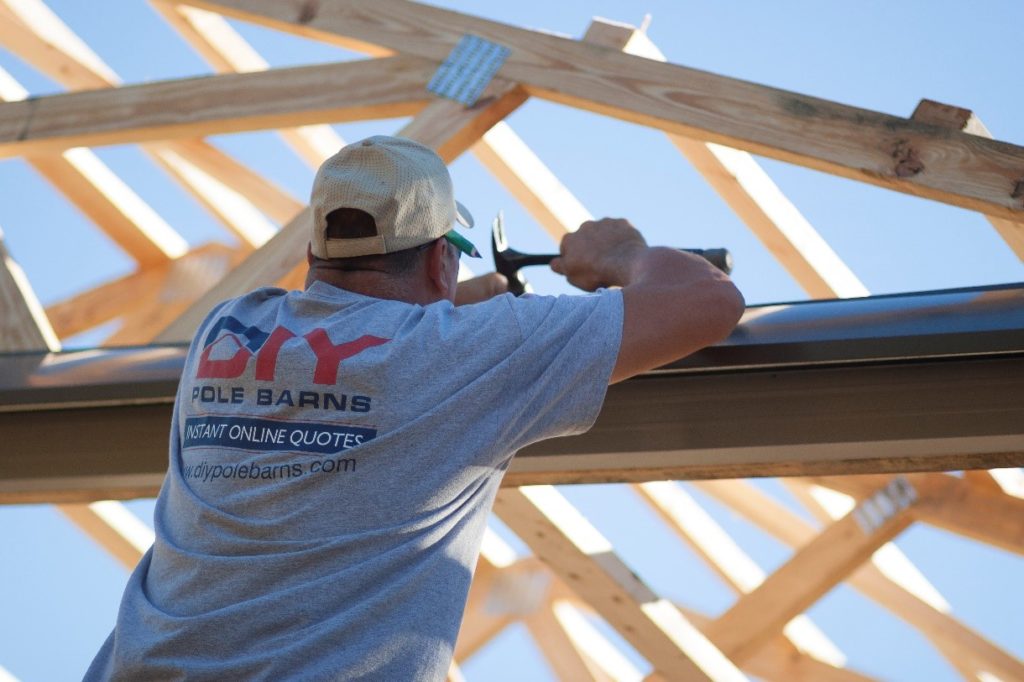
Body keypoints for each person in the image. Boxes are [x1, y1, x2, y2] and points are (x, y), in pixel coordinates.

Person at [85, 135, 744, 680]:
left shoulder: (230, 328)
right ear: (439, 262)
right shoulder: (465, 355)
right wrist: (622, 255)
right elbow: (706, 301)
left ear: (315, 254)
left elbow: (357, 335)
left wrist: (472, 306)